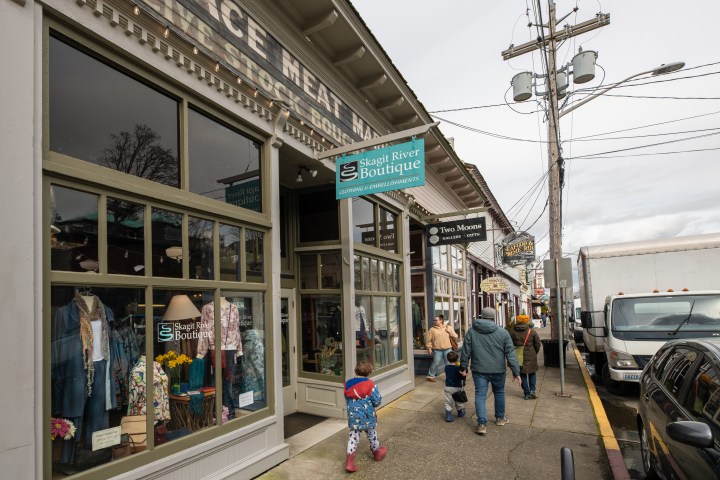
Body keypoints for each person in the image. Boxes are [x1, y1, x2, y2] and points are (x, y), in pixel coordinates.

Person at [460, 307, 521, 436]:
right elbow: (510, 353)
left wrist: (463, 368)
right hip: (498, 370)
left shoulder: (471, 332)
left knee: (480, 395)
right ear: (494, 317)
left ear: (481, 316)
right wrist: (516, 372)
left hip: (479, 369)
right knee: (499, 392)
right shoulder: (503, 333)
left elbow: (465, 352)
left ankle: (481, 424)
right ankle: (500, 418)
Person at [343, 361, 387, 473]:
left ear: (355, 371)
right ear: (369, 373)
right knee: (372, 434)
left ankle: (349, 462)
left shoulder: (348, 384)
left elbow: (347, 398)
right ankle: (377, 452)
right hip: (368, 416)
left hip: (354, 416)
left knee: (353, 437)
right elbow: (377, 401)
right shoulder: (371, 385)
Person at [510, 315, 542, 400]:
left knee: (522, 374)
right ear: (526, 321)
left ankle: (527, 393)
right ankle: (532, 391)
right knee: (532, 373)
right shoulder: (532, 332)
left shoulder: (512, 331)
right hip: (531, 354)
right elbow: (538, 344)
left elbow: (509, 343)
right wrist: (534, 352)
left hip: (518, 355)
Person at [425, 314, 458, 382]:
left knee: (448, 364)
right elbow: (428, 340)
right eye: (434, 320)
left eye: (436, 320)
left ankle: (449, 378)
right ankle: (430, 376)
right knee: (436, 363)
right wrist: (429, 348)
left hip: (448, 349)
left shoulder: (449, 327)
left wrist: (449, 332)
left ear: (441, 320)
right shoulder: (432, 329)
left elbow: (456, 336)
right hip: (437, 350)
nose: (434, 321)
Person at [443, 350, 467, 422]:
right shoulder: (458, 368)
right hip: (457, 387)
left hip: (448, 387)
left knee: (449, 401)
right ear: (457, 359)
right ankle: (461, 411)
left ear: (448, 359)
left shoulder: (446, 367)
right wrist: (464, 373)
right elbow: (463, 375)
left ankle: (448, 415)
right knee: (458, 400)